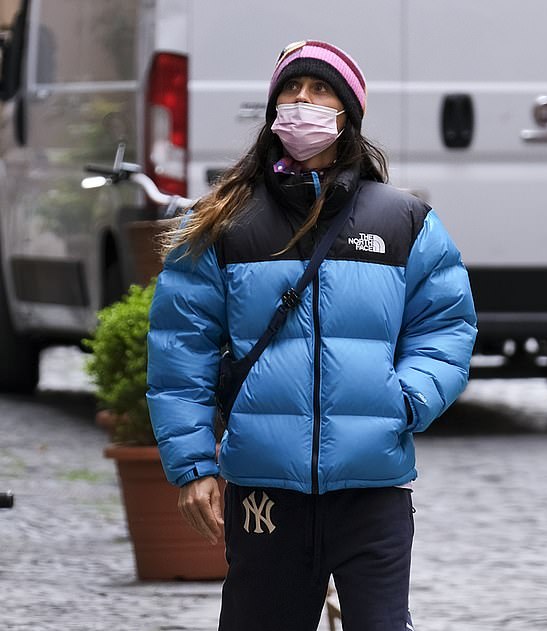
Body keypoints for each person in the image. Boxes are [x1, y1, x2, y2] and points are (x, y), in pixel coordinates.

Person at [147, 40, 477, 631]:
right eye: (290, 91)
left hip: (372, 487)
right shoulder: (226, 221)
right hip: (265, 490)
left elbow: (446, 324)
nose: (303, 102)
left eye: (320, 89)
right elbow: (181, 346)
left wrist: (406, 399)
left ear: (348, 111)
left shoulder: (402, 221)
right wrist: (193, 464)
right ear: (273, 111)